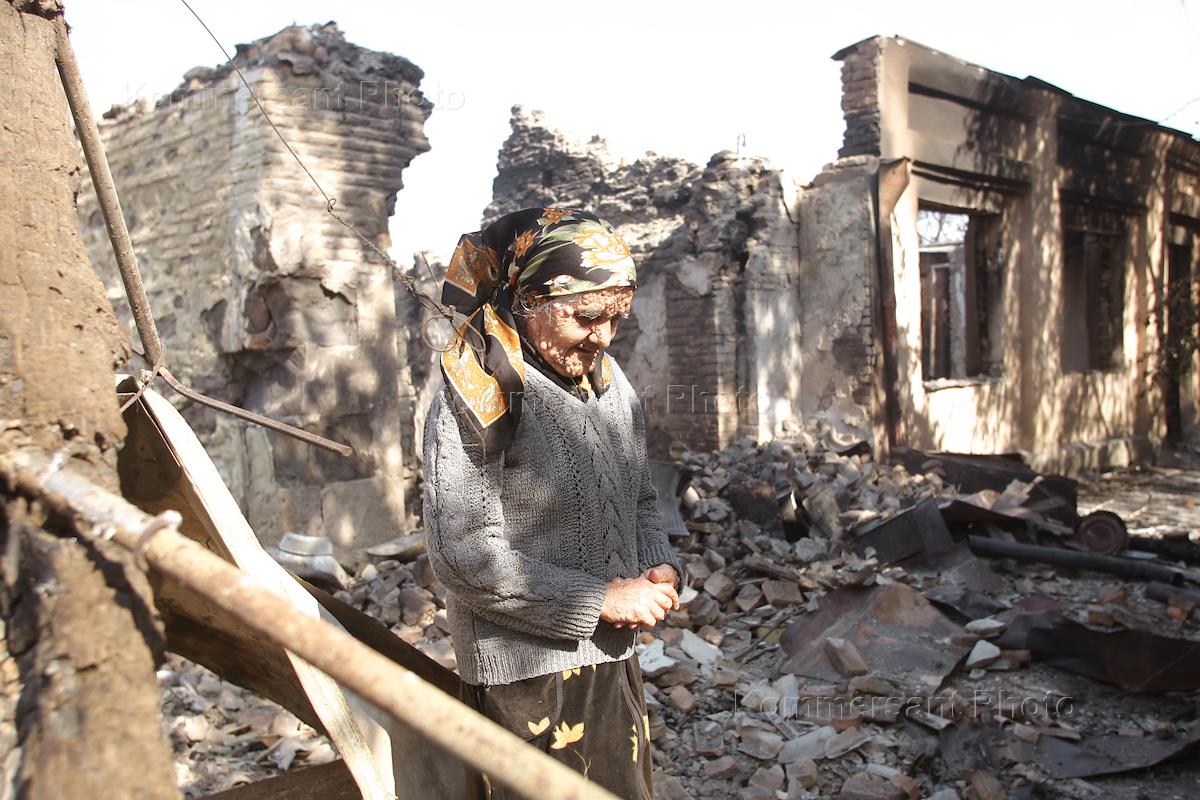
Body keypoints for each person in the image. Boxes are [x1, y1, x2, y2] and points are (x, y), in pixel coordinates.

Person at [422, 207, 682, 799]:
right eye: (586, 317)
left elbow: (642, 499)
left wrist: (658, 562)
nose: (604, 337)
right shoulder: (482, 390)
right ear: (528, 300)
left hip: (610, 660)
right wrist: (601, 599)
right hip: (526, 681)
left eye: (616, 319)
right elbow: (462, 555)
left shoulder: (610, 381)